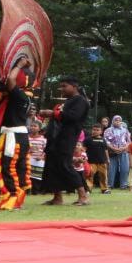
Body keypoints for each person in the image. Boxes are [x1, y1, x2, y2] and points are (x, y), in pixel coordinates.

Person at [0, 57, 37, 209]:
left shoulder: (19, 96)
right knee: (18, 168)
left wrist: (19, 65)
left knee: (7, 167)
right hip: (19, 136)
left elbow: (10, 80)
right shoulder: (26, 96)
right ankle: (16, 199)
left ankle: (12, 197)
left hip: (12, 137)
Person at [38, 76, 91, 206]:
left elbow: (73, 117)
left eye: (64, 86)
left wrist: (52, 113)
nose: (61, 89)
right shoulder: (67, 101)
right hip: (56, 137)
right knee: (52, 166)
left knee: (64, 164)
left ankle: (83, 196)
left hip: (68, 138)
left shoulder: (80, 101)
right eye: (60, 86)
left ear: (74, 86)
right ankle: (57, 197)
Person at [103, 115, 130, 190]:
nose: (117, 122)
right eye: (116, 120)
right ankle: (110, 184)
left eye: (119, 120)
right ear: (112, 121)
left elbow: (128, 141)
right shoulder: (108, 130)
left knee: (125, 168)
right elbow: (106, 141)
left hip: (123, 151)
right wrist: (113, 148)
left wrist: (123, 148)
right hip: (112, 152)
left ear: (121, 122)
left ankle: (123, 185)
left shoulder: (125, 130)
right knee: (111, 168)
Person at [84, 124, 110, 193]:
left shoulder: (103, 140)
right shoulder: (88, 139)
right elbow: (84, 150)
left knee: (103, 176)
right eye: (94, 130)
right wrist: (84, 158)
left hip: (102, 161)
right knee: (90, 175)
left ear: (101, 132)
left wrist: (108, 159)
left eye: (97, 130)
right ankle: (88, 189)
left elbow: (106, 150)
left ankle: (104, 189)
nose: (95, 131)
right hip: (91, 161)